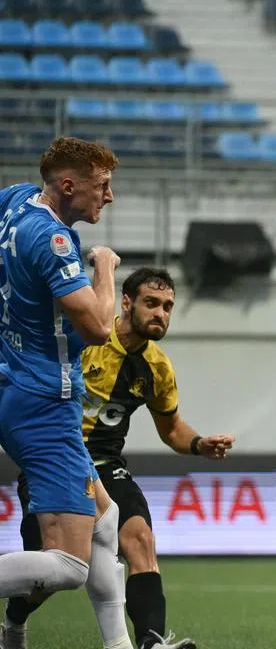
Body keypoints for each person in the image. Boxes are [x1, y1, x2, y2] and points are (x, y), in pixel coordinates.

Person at [7, 267, 235, 649]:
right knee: (50, 573)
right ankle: (13, 621)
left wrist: (199, 444)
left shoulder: (158, 367)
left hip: (107, 464)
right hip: (56, 460)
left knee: (140, 539)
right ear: (126, 303)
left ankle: (151, 641)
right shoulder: (86, 339)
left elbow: (171, 427)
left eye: (168, 306)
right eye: (152, 303)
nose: (161, 313)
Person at [0, 136, 134, 649]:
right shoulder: (53, 240)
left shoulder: (15, 201)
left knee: (107, 520)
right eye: (103, 186)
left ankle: (117, 646)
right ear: (69, 185)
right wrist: (105, 266)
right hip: (45, 404)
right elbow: (102, 328)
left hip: (20, 387)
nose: (110, 196)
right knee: (68, 566)